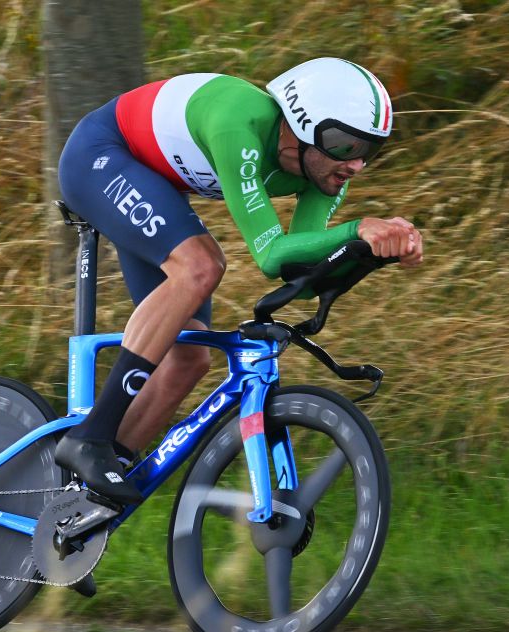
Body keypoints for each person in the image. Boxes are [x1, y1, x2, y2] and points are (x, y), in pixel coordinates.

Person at [53, 57, 423, 503]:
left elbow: (297, 268)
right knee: (200, 266)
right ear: (302, 123)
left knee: (190, 357)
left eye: (370, 149)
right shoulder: (239, 125)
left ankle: (87, 493)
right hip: (101, 154)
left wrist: (373, 252)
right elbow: (269, 254)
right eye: (346, 144)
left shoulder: (323, 172)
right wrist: (356, 229)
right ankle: (88, 438)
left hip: (152, 182)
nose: (356, 164)